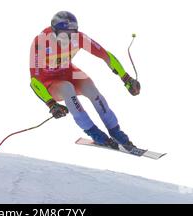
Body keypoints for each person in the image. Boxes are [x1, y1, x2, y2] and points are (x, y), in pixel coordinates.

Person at [29, 11, 140, 150]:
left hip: (69, 72)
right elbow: (34, 81)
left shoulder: (79, 38)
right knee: (67, 88)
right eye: (63, 34)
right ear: (54, 31)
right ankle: (94, 133)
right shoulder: (41, 42)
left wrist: (126, 78)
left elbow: (105, 55)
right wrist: (51, 103)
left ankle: (116, 131)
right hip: (48, 82)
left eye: (71, 34)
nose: (67, 38)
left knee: (90, 88)